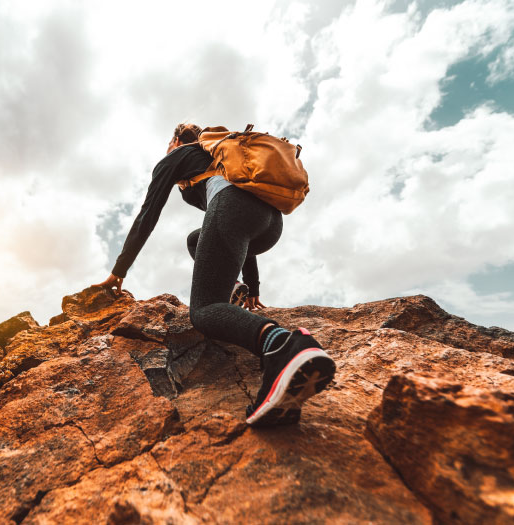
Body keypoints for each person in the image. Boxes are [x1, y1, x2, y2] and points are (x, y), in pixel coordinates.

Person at [96, 123, 335, 426]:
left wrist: (120, 270)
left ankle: (283, 346)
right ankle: (236, 292)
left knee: (206, 310)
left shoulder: (176, 157)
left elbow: (148, 214)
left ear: (175, 140)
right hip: (270, 223)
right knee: (196, 239)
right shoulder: (217, 156)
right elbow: (240, 229)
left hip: (233, 209)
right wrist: (252, 286)